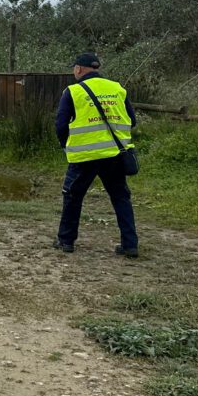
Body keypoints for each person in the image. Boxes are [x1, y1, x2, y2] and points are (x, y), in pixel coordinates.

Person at [54, 52, 139, 257]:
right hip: (115, 155)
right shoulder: (117, 88)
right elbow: (132, 121)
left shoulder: (73, 91)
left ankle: (66, 241)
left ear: (78, 69)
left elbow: (60, 124)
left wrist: (66, 145)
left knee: (73, 197)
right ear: (97, 68)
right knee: (120, 197)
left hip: (84, 157)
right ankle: (130, 245)